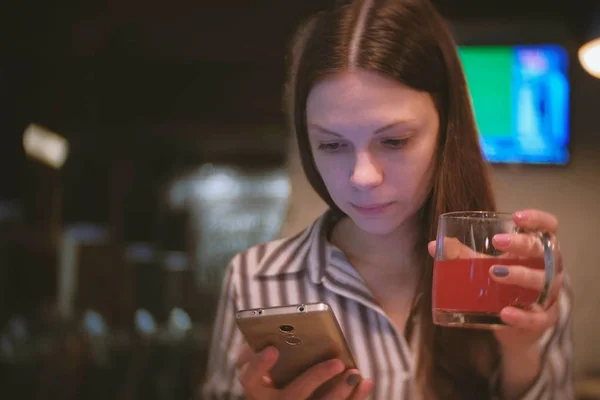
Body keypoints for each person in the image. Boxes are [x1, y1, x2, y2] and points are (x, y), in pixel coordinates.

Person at [200, 0, 574, 399]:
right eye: (331, 144)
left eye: (394, 140)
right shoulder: (256, 279)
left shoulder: (518, 277)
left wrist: (522, 356)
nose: (363, 177)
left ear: (447, 130)